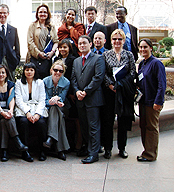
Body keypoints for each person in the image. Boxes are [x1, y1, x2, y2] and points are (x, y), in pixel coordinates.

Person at [71, 35, 105, 164]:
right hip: (80, 99)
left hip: (93, 99)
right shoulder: (76, 61)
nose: (82, 45)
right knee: (84, 126)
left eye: (84, 43)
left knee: (93, 126)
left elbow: (98, 77)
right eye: (80, 43)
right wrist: (77, 91)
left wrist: (86, 91)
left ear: (90, 44)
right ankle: (87, 147)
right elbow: (73, 78)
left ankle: (94, 153)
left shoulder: (98, 59)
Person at [103, 29, 136, 159]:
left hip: (123, 92)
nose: (117, 41)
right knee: (108, 121)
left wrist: (121, 84)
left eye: (119, 39)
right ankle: (108, 149)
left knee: (123, 121)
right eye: (115, 39)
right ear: (111, 41)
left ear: (123, 41)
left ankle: (122, 148)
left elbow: (132, 72)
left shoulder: (129, 55)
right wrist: (111, 85)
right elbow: (104, 72)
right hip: (110, 92)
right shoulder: (106, 54)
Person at [0, 64, 28, 162]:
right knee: (4, 118)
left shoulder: (11, 85)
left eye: (3, 72)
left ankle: (4, 151)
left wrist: (10, 110)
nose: (1, 75)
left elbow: (11, 99)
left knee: (4, 122)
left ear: (6, 74)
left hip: (8, 113)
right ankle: (17, 141)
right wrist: (2, 112)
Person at [137, 38, 166, 162]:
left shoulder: (156, 63)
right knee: (144, 126)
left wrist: (158, 101)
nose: (143, 49)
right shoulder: (142, 63)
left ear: (151, 48)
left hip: (152, 102)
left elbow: (162, 84)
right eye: (141, 47)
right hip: (143, 101)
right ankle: (146, 151)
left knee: (152, 128)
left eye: (145, 47)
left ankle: (151, 154)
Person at [15, 62, 48, 162]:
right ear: (24, 71)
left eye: (31, 70)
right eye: (27, 70)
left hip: (37, 107)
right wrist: (27, 113)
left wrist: (37, 114)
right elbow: (19, 100)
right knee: (24, 122)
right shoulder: (18, 83)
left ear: (35, 71)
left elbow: (42, 100)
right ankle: (25, 152)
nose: (29, 72)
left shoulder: (40, 82)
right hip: (23, 109)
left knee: (41, 123)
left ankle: (42, 151)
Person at [43, 60, 70, 161]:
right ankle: (60, 150)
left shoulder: (66, 82)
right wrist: (51, 102)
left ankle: (50, 138)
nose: (58, 73)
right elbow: (44, 99)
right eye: (55, 70)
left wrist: (58, 100)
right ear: (51, 70)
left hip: (62, 108)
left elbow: (62, 97)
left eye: (60, 71)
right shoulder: (45, 81)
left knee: (56, 109)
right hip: (48, 108)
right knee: (57, 114)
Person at [26, 4, 59, 79]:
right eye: (40, 12)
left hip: (47, 59)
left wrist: (52, 52)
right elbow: (30, 42)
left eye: (45, 12)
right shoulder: (32, 26)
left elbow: (56, 41)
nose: (42, 14)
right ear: (37, 14)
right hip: (35, 59)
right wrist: (39, 53)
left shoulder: (51, 27)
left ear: (48, 14)